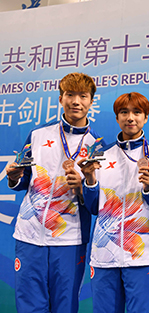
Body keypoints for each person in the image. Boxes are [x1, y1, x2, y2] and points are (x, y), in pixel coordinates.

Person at [5, 72, 103, 313]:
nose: (76, 102)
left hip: (69, 239)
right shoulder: (37, 136)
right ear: (61, 98)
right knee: (29, 304)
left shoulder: (98, 147)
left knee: (64, 305)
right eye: (70, 95)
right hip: (29, 235)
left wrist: (82, 187)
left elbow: (96, 204)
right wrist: (13, 177)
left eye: (83, 96)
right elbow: (23, 178)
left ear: (91, 102)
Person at [80, 92, 149, 312]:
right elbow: (93, 206)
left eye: (137, 112)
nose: (130, 118)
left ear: (145, 117)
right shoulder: (101, 155)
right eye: (124, 112)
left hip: (141, 254)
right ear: (117, 118)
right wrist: (88, 179)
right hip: (104, 254)